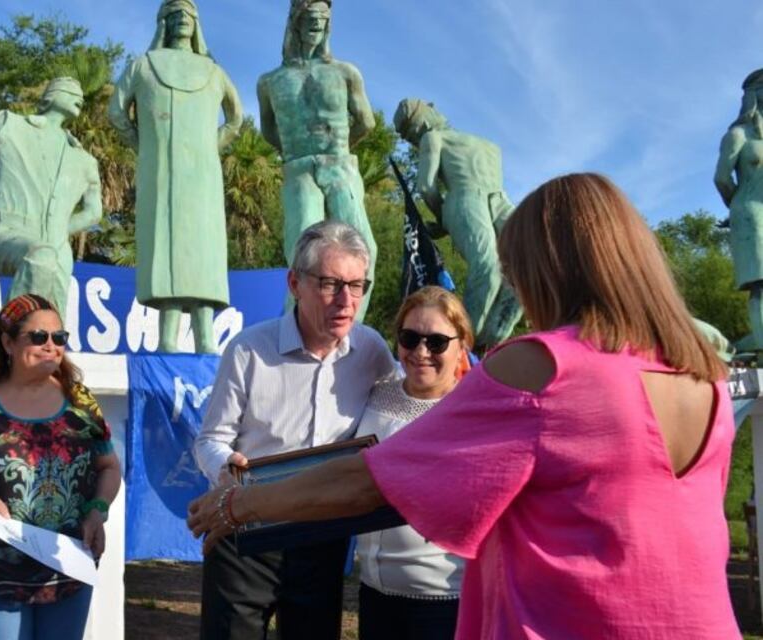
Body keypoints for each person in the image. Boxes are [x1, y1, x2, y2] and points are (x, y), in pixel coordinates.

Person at [189, 173, 741, 639]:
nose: (516, 289)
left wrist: (238, 506)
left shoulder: (539, 367)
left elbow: (374, 480)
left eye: (515, 270)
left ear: (548, 268)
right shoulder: (704, 375)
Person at [192, 220, 395, 639]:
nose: (346, 301)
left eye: (357, 285)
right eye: (330, 284)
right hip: (245, 532)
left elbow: (406, 406)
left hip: (322, 535)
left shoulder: (372, 350)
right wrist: (226, 467)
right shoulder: (249, 349)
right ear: (294, 283)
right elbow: (210, 439)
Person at [0, 294, 122, 640]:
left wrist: (97, 510)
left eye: (59, 337)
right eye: (38, 336)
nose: (51, 345)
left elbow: (108, 466)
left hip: (68, 571)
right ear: (8, 342)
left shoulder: (80, 401)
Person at [109, 0, 243, 353]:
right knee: (165, 248)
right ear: (163, 22)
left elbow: (235, 118)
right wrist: (146, 145)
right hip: (160, 172)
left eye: (188, 14)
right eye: (174, 14)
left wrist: (210, 145)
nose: (181, 19)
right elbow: (116, 111)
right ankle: (167, 340)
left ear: (196, 23)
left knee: (203, 252)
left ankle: (206, 338)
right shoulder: (143, 65)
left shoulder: (214, 71)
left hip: (203, 176)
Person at [355, 286, 471, 640]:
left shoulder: (474, 412)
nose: (421, 352)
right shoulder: (375, 394)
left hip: (443, 600)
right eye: (409, 338)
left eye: (437, 342)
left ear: (462, 346)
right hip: (373, 593)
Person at [257, 0, 378, 320]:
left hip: (340, 166)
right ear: (295, 21)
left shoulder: (346, 72)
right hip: (298, 169)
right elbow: (269, 130)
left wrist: (338, 149)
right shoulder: (270, 82)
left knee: (365, 248)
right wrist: (296, 150)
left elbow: (366, 122)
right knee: (302, 252)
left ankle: (350, 327)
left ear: (328, 24)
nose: (316, 23)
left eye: (322, 18)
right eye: (310, 17)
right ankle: (294, 328)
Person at [0, 77, 103, 317]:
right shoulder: (8, 124)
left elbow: (94, 212)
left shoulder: (85, 160)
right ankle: (7, 335)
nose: (80, 95)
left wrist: (59, 230)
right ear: (51, 95)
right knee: (40, 257)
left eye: (81, 93)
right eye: (71, 90)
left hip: (59, 250)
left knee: (54, 324)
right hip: (8, 234)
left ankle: (27, 337)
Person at [393, 98, 521, 350]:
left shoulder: (435, 138)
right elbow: (425, 187)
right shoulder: (452, 140)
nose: (414, 138)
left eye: (410, 131)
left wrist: (441, 220)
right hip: (470, 199)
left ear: (425, 115)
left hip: (487, 199)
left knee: (525, 266)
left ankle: (486, 342)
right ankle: (461, 346)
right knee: (488, 266)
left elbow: (426, 186)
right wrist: (446, 220)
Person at [715, 68, 763, 353]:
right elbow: (722, 178)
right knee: (761, 284)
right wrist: (738, 206)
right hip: (751, 215)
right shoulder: (738, 135)